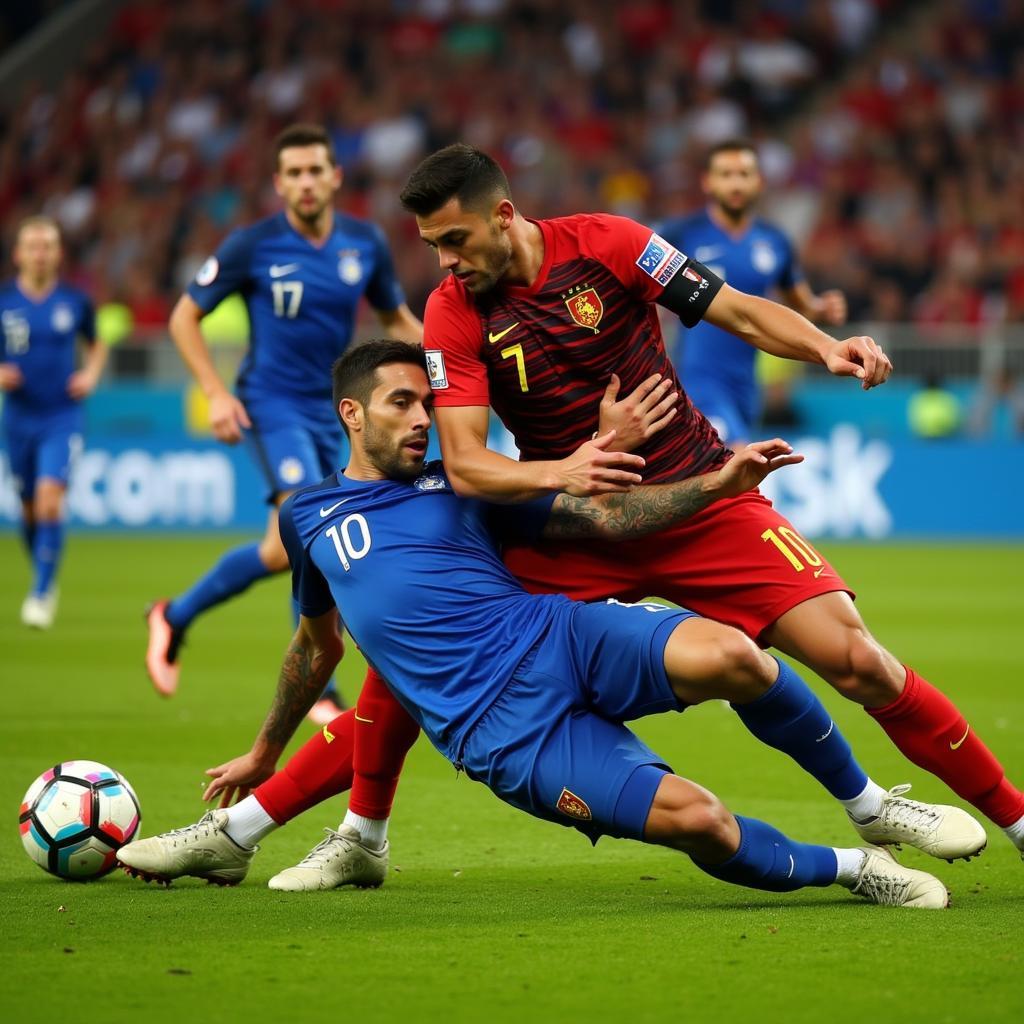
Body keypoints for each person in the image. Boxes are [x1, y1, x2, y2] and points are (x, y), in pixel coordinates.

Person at [118, 341, 960, 909]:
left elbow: (606, 522)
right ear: (351, 415)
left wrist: (716, 485)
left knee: (740, 656)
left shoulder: (471, 485)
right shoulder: (308, 517)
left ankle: (868, 804)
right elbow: (315, 645)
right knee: (701, 822)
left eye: (427, 403)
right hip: (504, 733)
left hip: (561, 635)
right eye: (402, 404)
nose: (422, 419)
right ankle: (857, 871)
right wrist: (266, 749)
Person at [391, 143, 1024, 862]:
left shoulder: (610, 243)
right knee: (421, 642)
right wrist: (571, 468)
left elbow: (737, 311)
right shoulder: (452, 313)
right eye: (432, 246)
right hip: (577, 529)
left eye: (454, 240)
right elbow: (469, 464)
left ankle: (1016, 821)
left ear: (503, 215)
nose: (444, 262)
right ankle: (360, 833)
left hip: (703, 499)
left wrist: (823, 347)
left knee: (860, 660)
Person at [144, 123, 423, 723]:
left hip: (336, 413)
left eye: (314, 170)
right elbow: (183, 318)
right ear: (278, 183)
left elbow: (396, 318)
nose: (304, 182)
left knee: (280, 550)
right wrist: (215, 393)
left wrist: (450, 361)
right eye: (292, 173)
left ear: (334, 176)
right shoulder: (252, 245)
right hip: (272, 405)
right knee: (309, 526)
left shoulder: (364, 244)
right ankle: (321, 687)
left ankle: (172, 615)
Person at [655, 139, 847, 447]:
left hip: (746, 386)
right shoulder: (681, 234)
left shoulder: (774, 242)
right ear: (708, 182)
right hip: (699, 379)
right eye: (726, 174)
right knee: (734, 457)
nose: (736, 183)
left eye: (744, 174)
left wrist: (821, 309)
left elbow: (801, 304)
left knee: (728, 478)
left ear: (758, 182)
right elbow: (639, 285)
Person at [0, 216, 106, 629]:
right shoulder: (5, 302)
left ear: (58, 253)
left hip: (62, 416)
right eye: (33, 246)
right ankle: (43, 571)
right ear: (19, 254)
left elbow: (97, 343)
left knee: (49, 499)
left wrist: (91, 375)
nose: (40, 253)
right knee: (28, 511)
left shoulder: (74, 301)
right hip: (19, 418)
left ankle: (42, 590)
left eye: (47, 245)